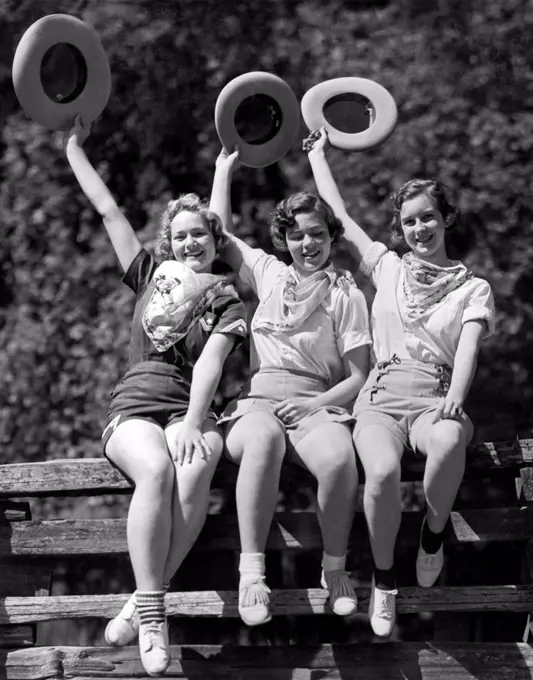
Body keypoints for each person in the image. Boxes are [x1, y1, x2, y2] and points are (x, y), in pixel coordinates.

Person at [65, 117, 247, 676]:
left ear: (218, 243)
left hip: (193, 407)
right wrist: (73, 147)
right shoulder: (150, 274)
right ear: (169, 243)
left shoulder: (226, 298)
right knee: (159, 473)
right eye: (181, 234)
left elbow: (213, 361)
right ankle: (154, 617)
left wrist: (195, 421)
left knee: (195, 469)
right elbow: (109, 212)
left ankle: (141, 601)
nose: (191, 241)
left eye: (202, 234)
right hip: (136, 408)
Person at [306, 127, 495, 639]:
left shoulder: (473, 287)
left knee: (452, 437)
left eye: (428, 217)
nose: (419, 228)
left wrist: (456, 396)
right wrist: (319, 156)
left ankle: (433, 535)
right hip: (382, 396)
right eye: (409, 221)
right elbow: (340, 221)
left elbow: (470, 346)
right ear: (401, 228)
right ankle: (385, 581)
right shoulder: (387, 267)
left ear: (446, 219)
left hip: (435, 392)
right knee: (383, 474)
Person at [209, 146, 372, 627]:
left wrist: (314, 405)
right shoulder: (268, 273)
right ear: (283, 239)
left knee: (341, 458)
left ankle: (335, 569)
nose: (307, 243)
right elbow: (219, 237)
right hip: (259, 399)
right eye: (296, 235)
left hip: (317, 399)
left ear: (330, 237)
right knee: (261, 440)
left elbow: (359, 376)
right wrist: (223, 170)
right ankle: (252, 574)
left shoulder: (346, 293)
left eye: (317, 234)